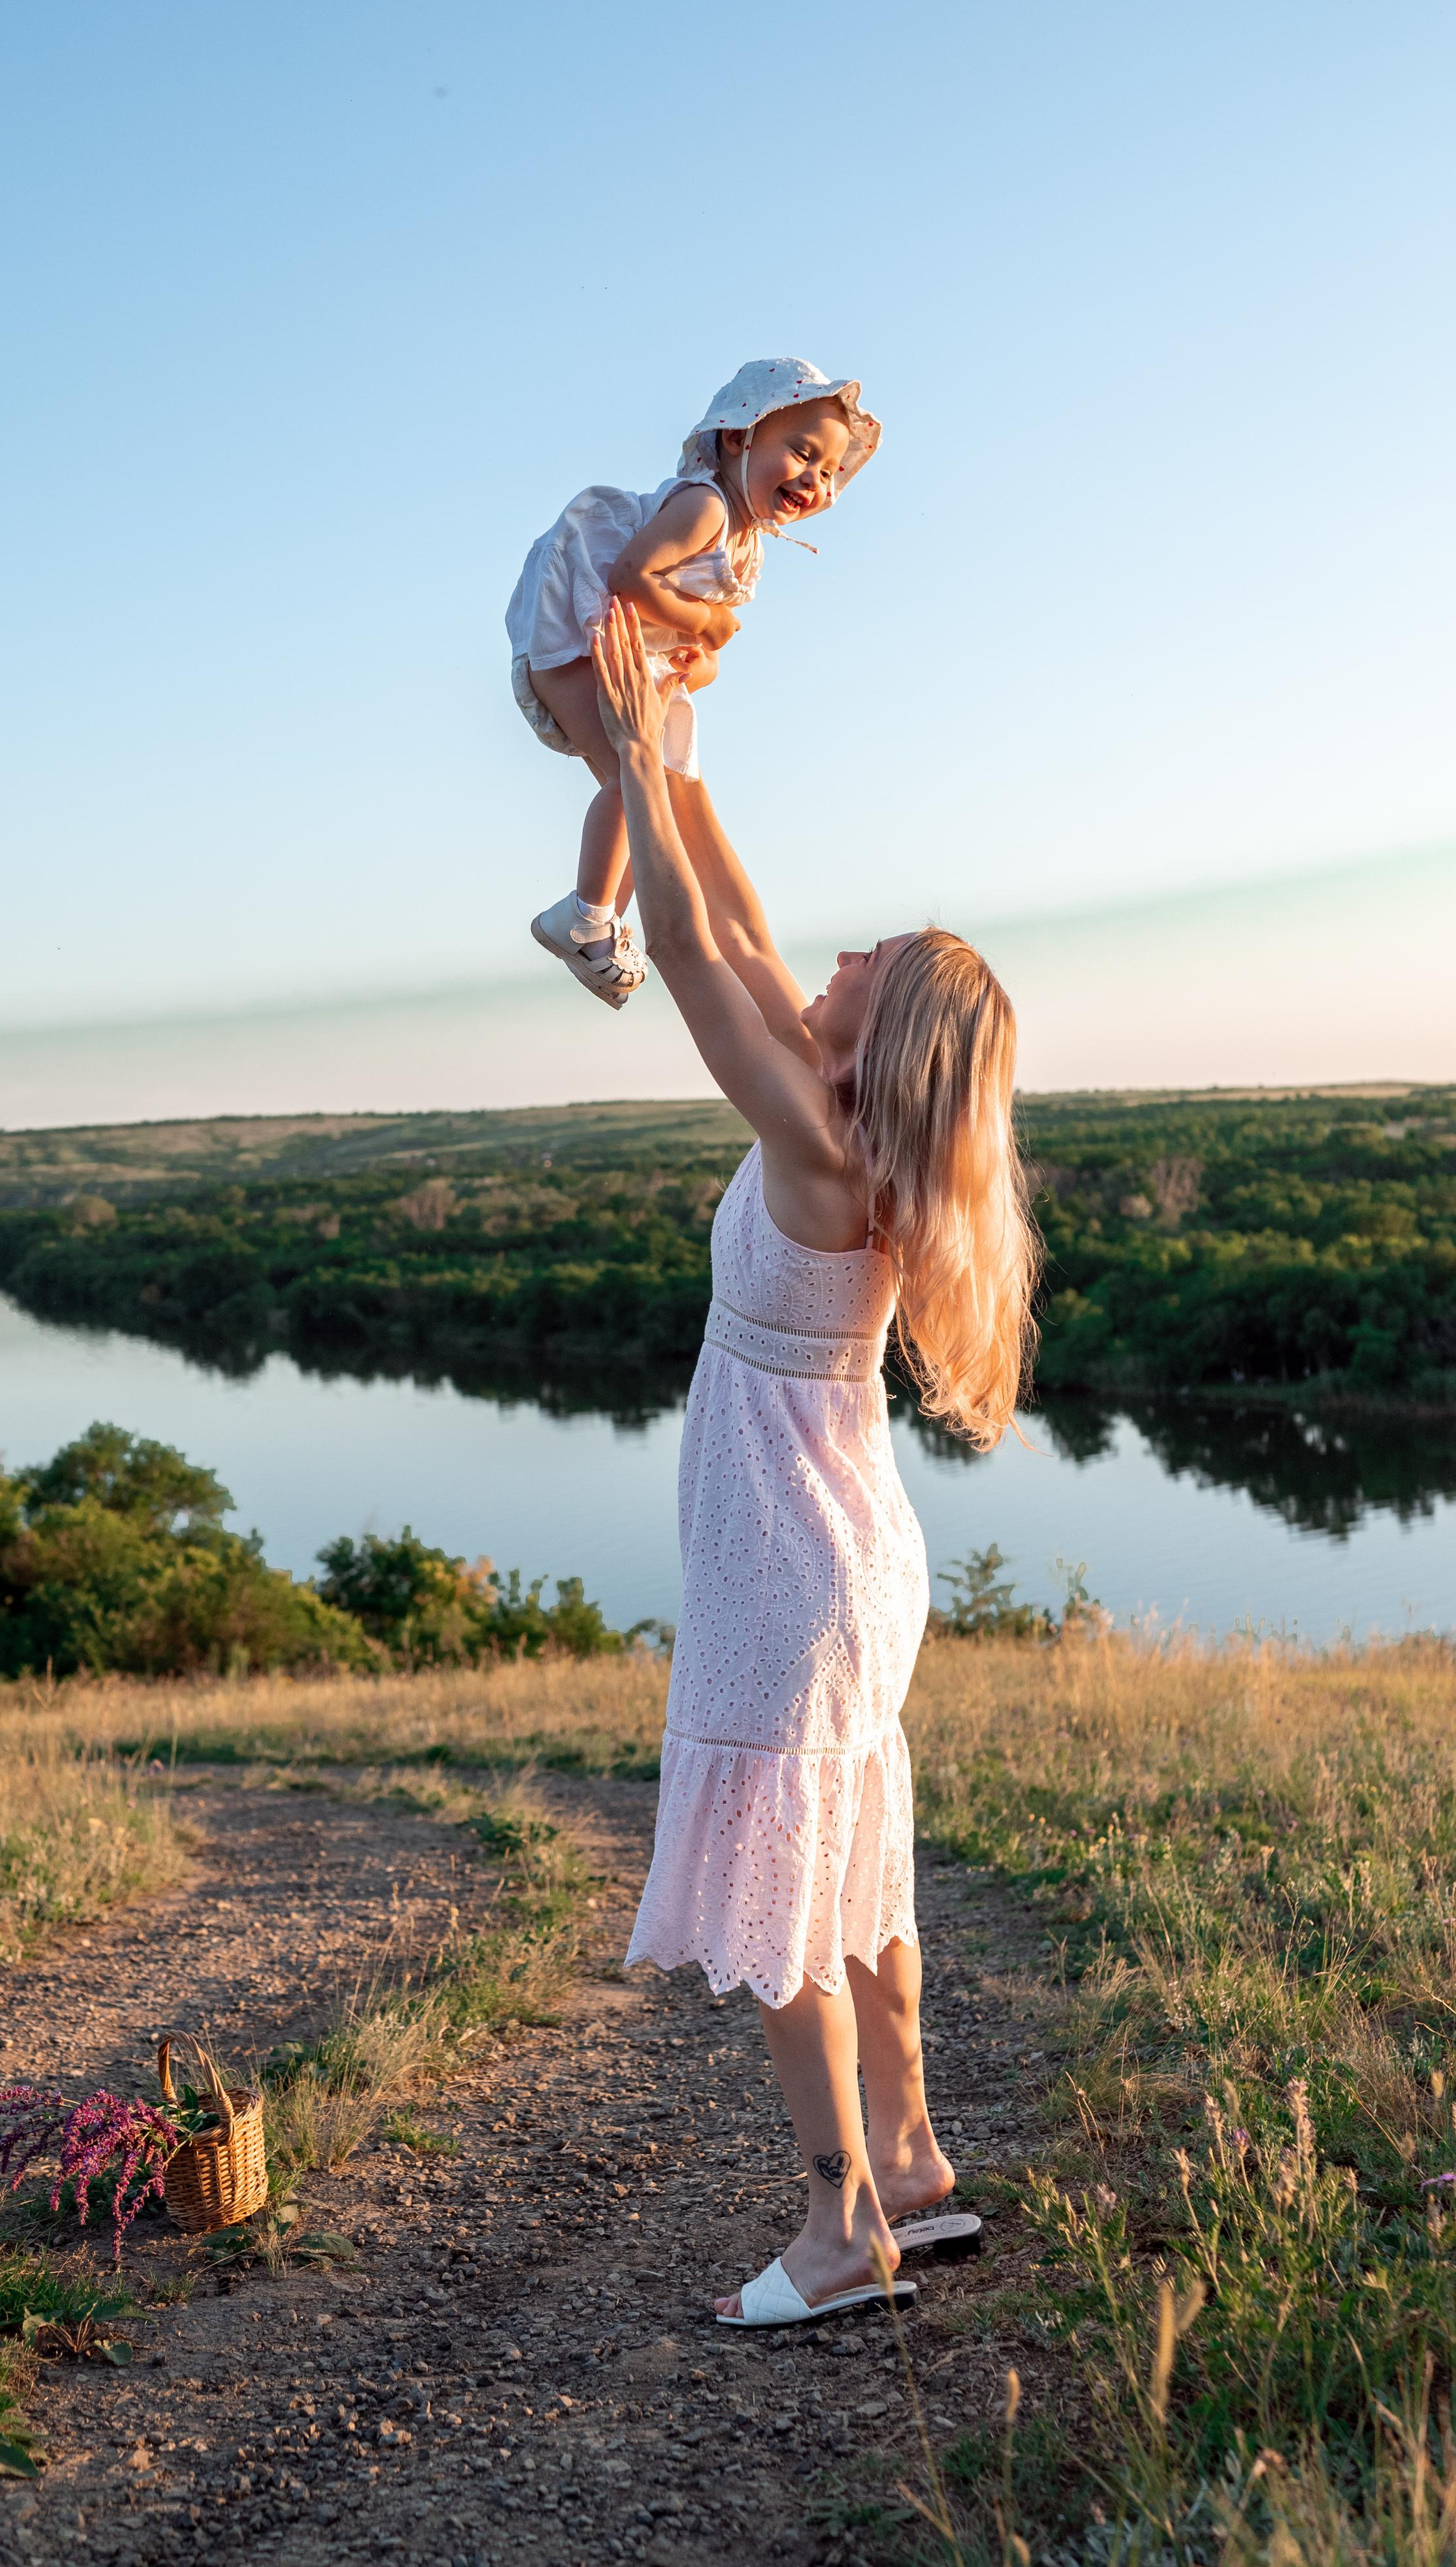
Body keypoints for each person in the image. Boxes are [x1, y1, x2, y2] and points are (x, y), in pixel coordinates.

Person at [587, 601, 1041, 2329]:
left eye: (868, 956)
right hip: (849, 1552)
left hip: (794, 1560)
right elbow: (738, 915)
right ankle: (912, 2163)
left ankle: (839, 2219)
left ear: (883, 1028)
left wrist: (627, 753)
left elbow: (695, 955)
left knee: (792, 1907)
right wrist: (679, 749)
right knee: (854, 1870)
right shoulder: (840, 1120)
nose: (828, 952)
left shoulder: (809, 1141)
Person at [507, 358, 880, 1009]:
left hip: (623, 649)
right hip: (575, 635)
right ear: (738, 438)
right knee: (635, 782)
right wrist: (707, 618)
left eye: (827, 472)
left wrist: (697, 657)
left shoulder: (744, 546)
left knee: (643, 799)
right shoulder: (706, 505)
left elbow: (695, 651)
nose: (815, 479)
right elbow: (631, 577)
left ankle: (594, 923)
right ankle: (585, 919)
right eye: (801, 452)